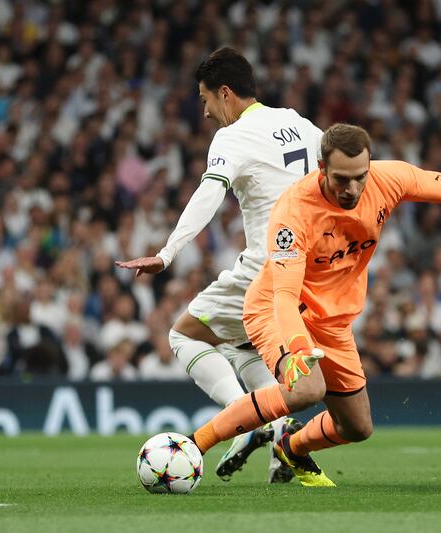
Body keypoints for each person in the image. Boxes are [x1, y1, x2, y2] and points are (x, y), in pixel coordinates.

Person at [186, 123, 441, 487]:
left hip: (332, 320)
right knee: (306, 389)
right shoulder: (293, 213)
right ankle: (194, 445)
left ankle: (291, 448)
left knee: (357, 428)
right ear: (322, 168)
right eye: (341, 179)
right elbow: (284, 296)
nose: (352, 188)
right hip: (279, 309)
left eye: (360, 176)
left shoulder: (389, 179)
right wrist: (297, 350)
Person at [116, 47, 324, 483]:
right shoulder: (301, 124)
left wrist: (166, 252)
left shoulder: (233, 137)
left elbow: (209, 193)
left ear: (226, 93)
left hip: (268, 266)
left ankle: (246, 421)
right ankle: (279, 434)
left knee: (183, 333)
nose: (207, 113)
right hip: (312, 270)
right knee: (241, 344)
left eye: (206, 100)